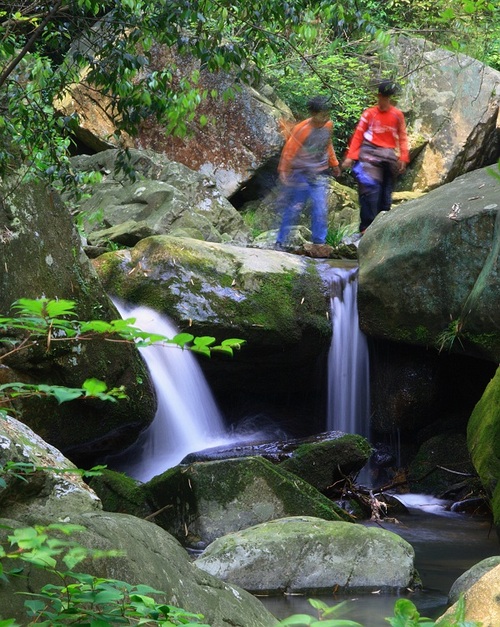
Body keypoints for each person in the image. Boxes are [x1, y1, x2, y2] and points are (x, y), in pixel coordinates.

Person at [342, 80, 409, 234]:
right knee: (370, 190)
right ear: (379, 96)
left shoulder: (397, 115)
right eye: (384, 97)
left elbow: (402, 136)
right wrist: (351, 157)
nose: (386, 101)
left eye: (389, 98)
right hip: (369, 153)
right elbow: (358, 135)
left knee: (386, 195)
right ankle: (365, 228)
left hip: (388, 156)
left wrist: (403, 158)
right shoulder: (369, 114)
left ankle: (381, 229)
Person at [275, 96, 341, 250]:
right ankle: (280, 241)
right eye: (322, 115)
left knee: (320, 208)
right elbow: (289, 152)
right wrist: (284, 172)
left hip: (319, 173)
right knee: (295, 208)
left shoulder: (328, 126)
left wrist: (334, 164)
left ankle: (319, 243)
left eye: (327, 114)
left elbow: (328, 145)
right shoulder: (302, 130)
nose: (325, 118)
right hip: (300, 174)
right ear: (313, 113)